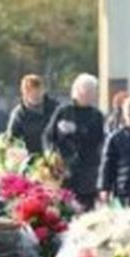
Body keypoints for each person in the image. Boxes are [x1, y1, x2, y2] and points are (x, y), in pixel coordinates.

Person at [47, 74, 107, 210]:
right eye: (89, 91)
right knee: (63, 209)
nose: (93, 95)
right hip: (64, 171)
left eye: (94, 91)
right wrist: (50, 153)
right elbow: (49, 136)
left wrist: (77, 130)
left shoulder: (96, 115)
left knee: (86, 211)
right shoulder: (63, 111)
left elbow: (97, 139)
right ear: (78, 91)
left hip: (87, 174)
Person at [7, 74, 58, 154]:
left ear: (43, 90)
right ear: (24, 93)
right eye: (31, 92)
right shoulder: (19, 114)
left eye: (38, 91)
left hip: (54, 158)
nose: (36, 95)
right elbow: (11, 140)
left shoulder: (55, 109)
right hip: (29, 160)